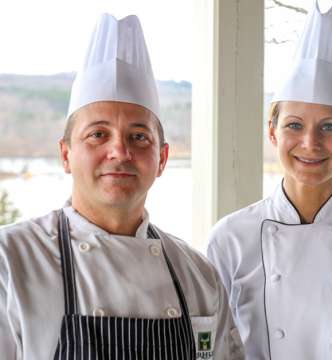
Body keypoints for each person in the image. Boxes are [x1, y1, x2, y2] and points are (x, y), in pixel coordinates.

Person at [0, 14, 243, 359]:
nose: (120, 151)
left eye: (139, 136)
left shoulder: (199, 275)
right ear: (66, 155)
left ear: (161, 158)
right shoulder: (11, 261)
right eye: (98, 134)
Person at [207, 1, 332, 359]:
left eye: (329, 127)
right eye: (294, 125)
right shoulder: (230, 239)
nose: (310, 143)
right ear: (272, 132)